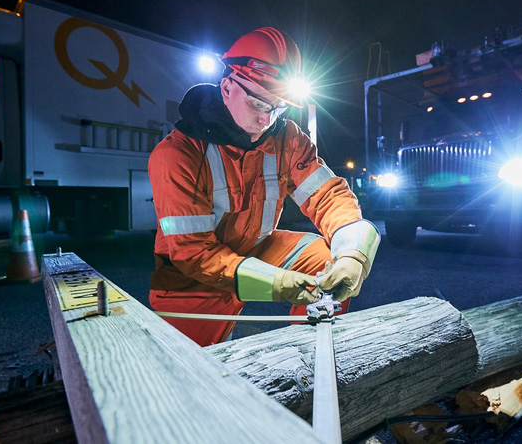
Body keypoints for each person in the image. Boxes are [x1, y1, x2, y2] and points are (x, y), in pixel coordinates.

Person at [148, 27, 380, 346]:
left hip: (257, 248)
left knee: (325, 258)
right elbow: (193, 252)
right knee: (188, 372)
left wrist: (353, 255)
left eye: (278, 107)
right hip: (191, 281)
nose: (266, 120)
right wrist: (277, 282)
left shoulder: (288, 139)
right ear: (227, 87)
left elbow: (328, 196)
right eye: (258, 104)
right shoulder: (176, 154)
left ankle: (310, 357)